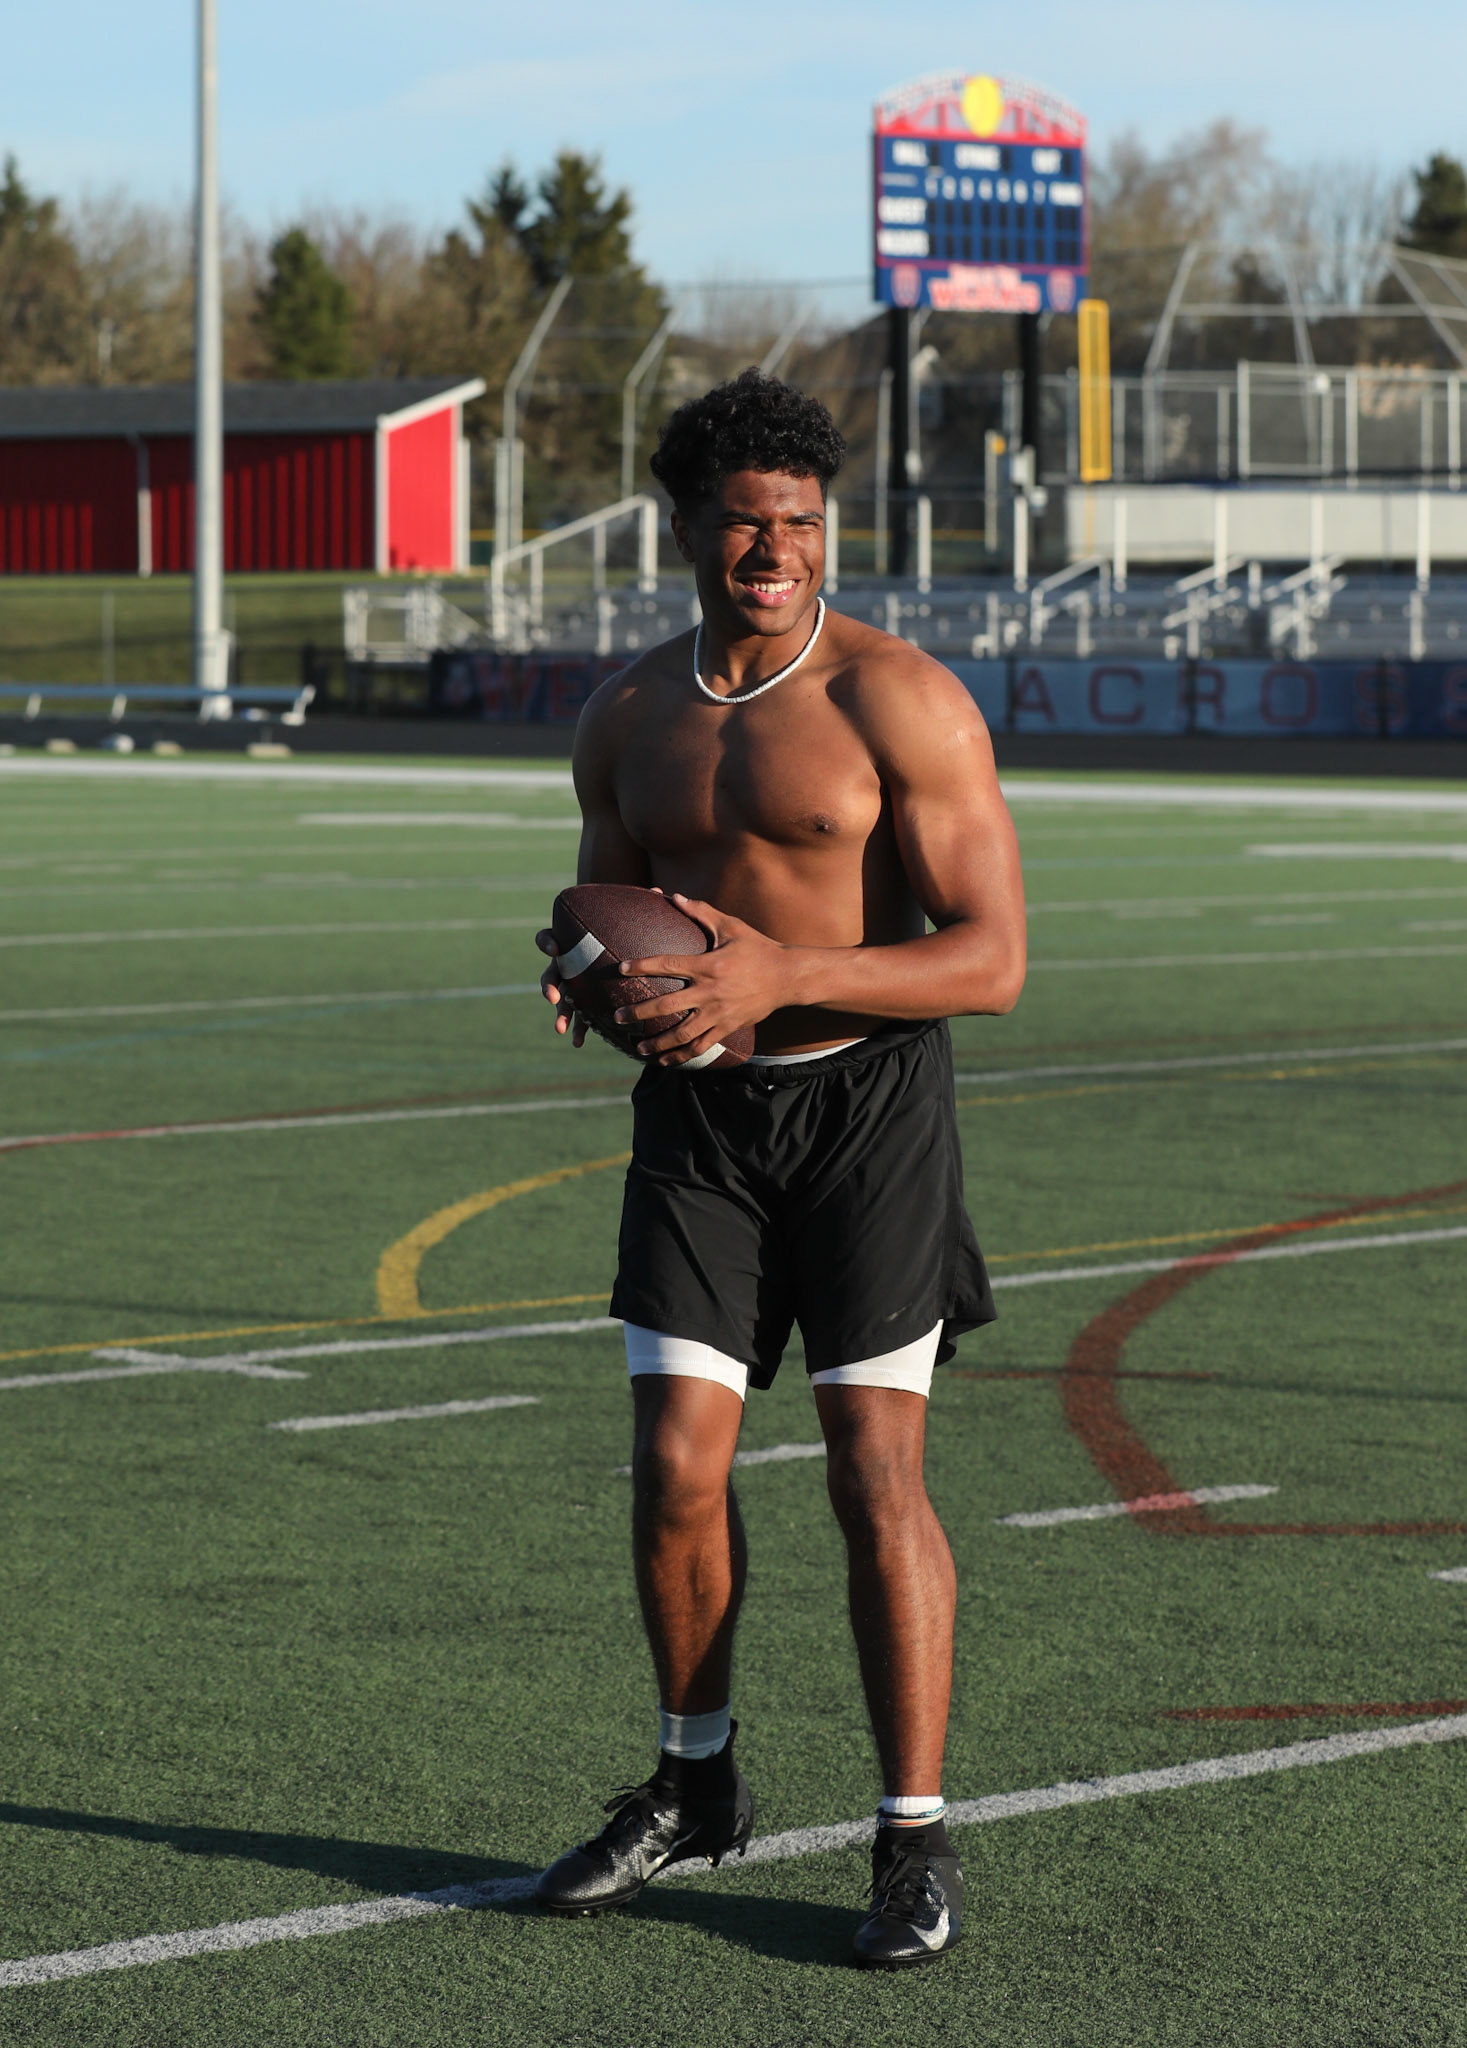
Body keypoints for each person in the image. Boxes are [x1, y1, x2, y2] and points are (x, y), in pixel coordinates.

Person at [533, 369, 1026, 1968]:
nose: (775, 549)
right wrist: (588, 977)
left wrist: (783, 977)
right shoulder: (626, 715)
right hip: (700, 1122)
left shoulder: (902, 700)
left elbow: (993, 959)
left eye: (802, 522)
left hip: (867, 1111)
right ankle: (697, 1784)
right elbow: (608, 908)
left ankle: (913, 1841)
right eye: (746, 521)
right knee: (676, 1463)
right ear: (685, 526)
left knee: (873, 1475)